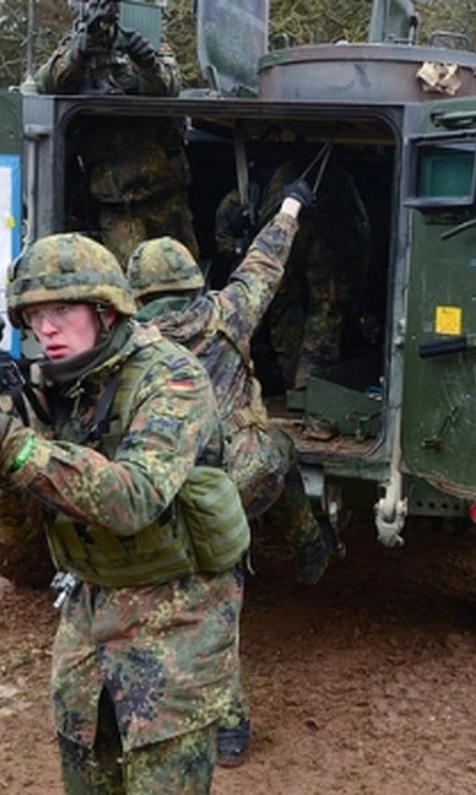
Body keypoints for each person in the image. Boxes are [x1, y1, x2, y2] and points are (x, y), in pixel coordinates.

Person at [0, 232, 245, 793]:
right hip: (88, 627)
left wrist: (13, 445)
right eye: (33, 315)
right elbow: (14, 538)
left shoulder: (171, 377)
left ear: (105, 311)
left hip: (176, 626)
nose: (45, 328)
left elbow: (134, 498)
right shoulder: (54, 387)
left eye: (61, 310)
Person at [127, 178, 339, 766]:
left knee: (198, 594)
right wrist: (292, 206)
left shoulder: (125, 343)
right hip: (238, 481)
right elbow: (265, 261)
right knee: (280, 453)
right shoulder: (226, 313)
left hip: (158, 493)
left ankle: (228, 728)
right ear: (193, 280)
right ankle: (308, 547)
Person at [33, 0, 196, 266]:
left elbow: (168, 90)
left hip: (164, 189)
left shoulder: (149, 41)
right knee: (130, 280)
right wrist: (79, 54)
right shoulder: (74, 46)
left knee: (182, 271)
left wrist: (145, 62)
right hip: (116, 198)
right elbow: (45, 85)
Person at [214, 159, 370, 393]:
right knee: (315, 311)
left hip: (298, 248)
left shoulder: (248, 193)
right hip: (297, 249)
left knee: (297, 311)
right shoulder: (246, 195)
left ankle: (300, 387)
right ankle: (306, 387)